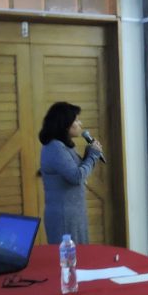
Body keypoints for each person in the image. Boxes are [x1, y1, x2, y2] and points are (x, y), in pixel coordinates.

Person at [39, 101, 102, 244]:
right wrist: (92, 156)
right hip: (64, 217)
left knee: (80, 257)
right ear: (65, 124)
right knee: (70, 260)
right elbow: (76, 177)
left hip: (73, 213)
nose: (80, 123)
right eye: (76, 120)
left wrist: (88, 155)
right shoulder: (55, 147)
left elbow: (77, 171)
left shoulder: (63, 146)